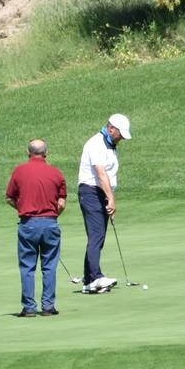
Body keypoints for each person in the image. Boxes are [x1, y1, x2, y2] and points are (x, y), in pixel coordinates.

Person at [5, 139, 67, 317]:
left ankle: (29, 307)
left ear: (28, 152)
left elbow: (9, 198)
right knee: (49, 266)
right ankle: (48, 306)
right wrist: (52, 216)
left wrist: (22, 207)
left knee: (27, 267)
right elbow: (61, 203)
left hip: (28, 223)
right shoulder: (56, 173)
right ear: (46, 153)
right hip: (50, 223)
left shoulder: (19, 171)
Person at [76, 113, 131, 293]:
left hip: (100, 193)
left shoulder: (110, 144)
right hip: (91, 192)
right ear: (110, 128)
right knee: (96, 235)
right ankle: (95, 277)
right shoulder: (96, 143)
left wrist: (109, 196)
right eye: (120, 134)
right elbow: (100, 173)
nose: (121, 137)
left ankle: (88, 281)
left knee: (97, 236)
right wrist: (111, 198)